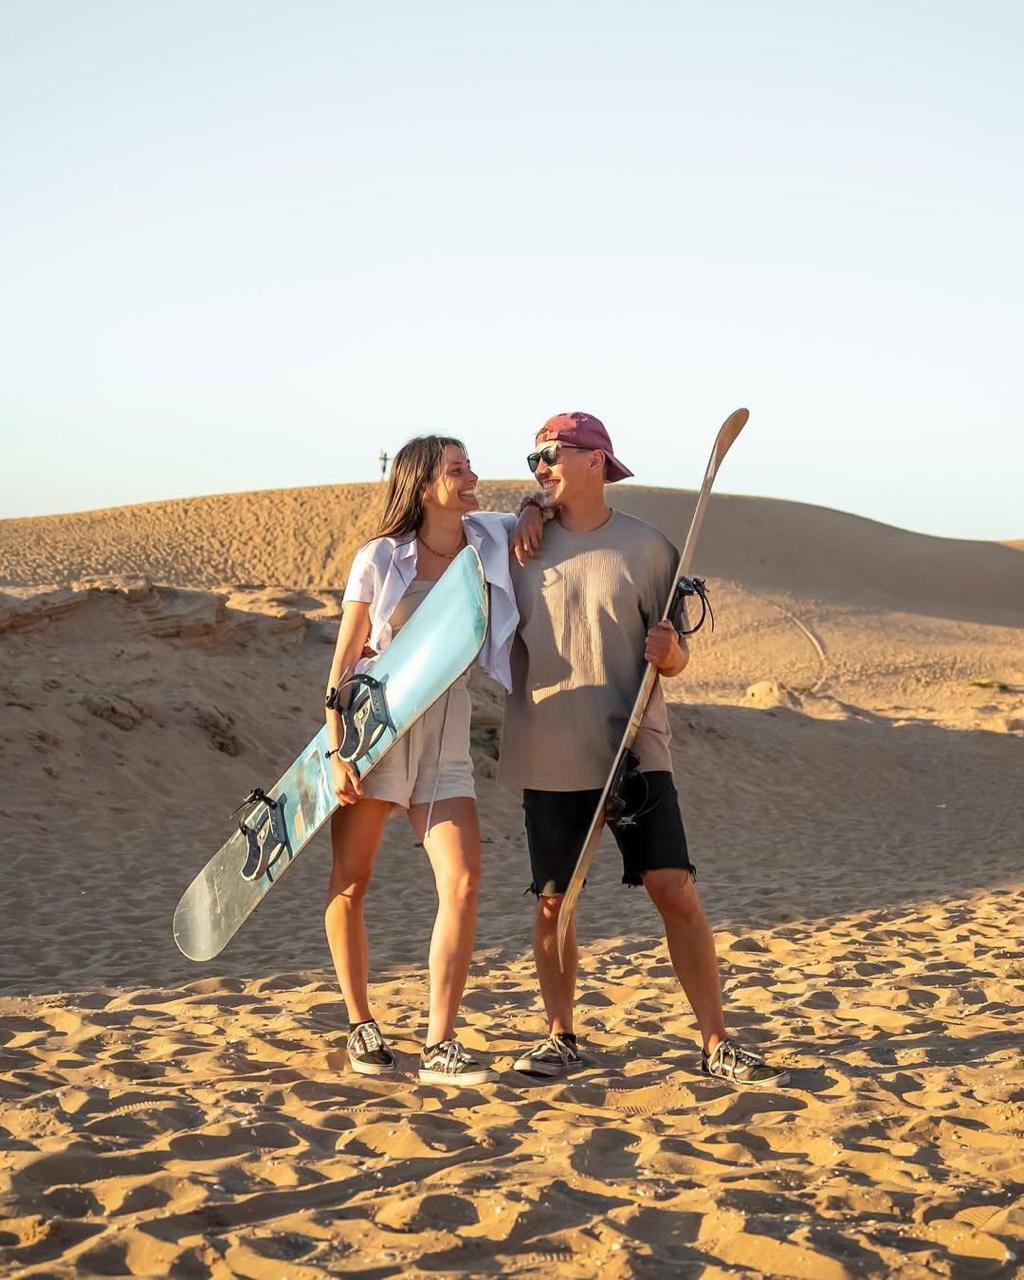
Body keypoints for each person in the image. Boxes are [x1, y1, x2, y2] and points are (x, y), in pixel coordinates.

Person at [500, 412, 790, 1088]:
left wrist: (675, 653)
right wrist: (522, 510)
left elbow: (678, 654)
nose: (539, 466)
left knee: (673, 887)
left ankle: (716, 1041)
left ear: (597, 461)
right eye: (533, 457)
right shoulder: (513, 544)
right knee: (555, 900)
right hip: (549, 742)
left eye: (552, 455)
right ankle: (560, 1036)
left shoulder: (652, 549)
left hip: (635, 742)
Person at [325, 435, 530, 1085]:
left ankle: (440, 1042)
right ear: (421, 486)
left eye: (470, 467)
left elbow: (536, 515)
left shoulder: (486, 543)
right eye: (457, 470)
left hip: (447, 738)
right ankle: (361, 1023)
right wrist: (336, 750)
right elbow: (343, 663)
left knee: (464, 881)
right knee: (352, 882)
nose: (472, 478)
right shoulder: (381, 559)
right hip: (377, 735)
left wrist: (529, 508)